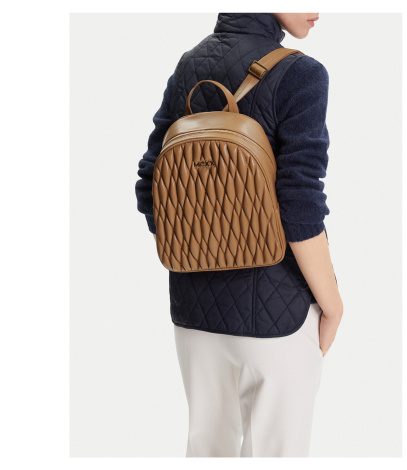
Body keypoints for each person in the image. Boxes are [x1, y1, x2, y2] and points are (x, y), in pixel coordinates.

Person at [135, 12, 343, 457]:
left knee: (207, 451)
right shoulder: (301, 73)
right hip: (279, 317)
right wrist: (332, 304)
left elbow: (150, 183)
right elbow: (300, 204)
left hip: (193, 315)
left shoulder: (188, 65)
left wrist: (196, 251)